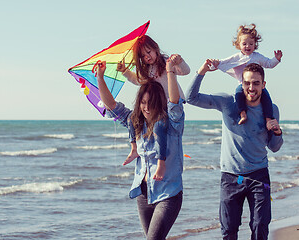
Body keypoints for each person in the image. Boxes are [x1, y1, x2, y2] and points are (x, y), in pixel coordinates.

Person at [186, 62, 283, 240]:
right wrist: (202, 71)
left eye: (256, 83)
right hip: (230, 177)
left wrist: (277, 131)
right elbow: (190, 98)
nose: (251, 88)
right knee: (229, 231)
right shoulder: (227, 102)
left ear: (263, 84)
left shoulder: (272, 110)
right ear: (241, 84)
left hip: (259, 176)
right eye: (247, 83)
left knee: (260, 226)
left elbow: (275, 147)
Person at [96, 55, 185, 239]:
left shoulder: (172, 124)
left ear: (159, 102)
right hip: (143, 194)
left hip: (168, 194)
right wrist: (100, 77)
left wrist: (170, 72)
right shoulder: (135, 122)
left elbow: (175, 103)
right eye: (143, 103)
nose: (146, 108)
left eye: (150, 103)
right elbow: (111, 106)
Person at [117, 35, 190, 170]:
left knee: (159, 127)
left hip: (173, 106)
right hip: (157, 106)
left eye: (149, 52)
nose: (147, 57)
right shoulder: (146, 70)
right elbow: (137, 80)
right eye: (143, 56)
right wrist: (125, 71)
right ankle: (134, 148)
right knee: (132, 118)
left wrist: (179, 61)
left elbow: (185, 71)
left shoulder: (166, 61)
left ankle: (161, 161)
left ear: (156, 48)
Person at [209, 24, 282, 127]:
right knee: (238, 94)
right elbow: (223, 63)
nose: (248, 46)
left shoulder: (257, 57)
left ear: (255, 44)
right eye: (244, 44)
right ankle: (243, 114)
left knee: (267, 98)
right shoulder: (236, 57)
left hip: (257, 86)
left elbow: (269, 63)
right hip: (242, 84)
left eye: (251, 44)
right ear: (238, 44)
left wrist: (276, 59)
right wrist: (214, 64)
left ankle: (268, 119)